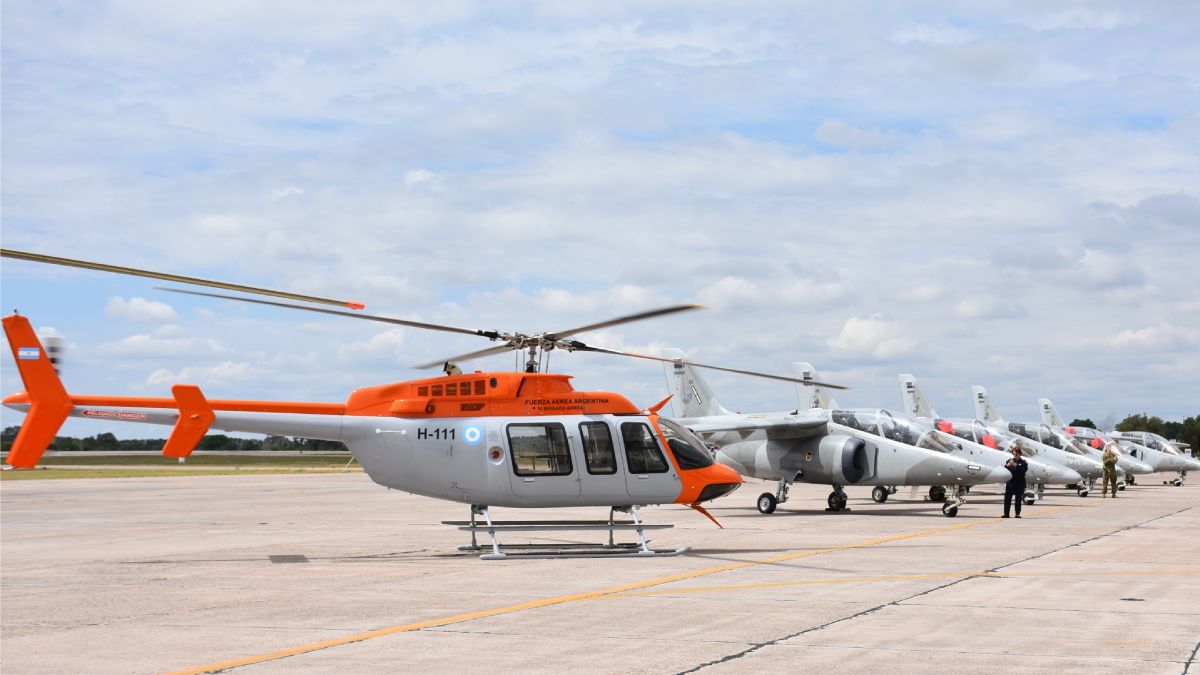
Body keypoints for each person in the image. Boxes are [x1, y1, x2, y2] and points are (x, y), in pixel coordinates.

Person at [1002, 443, 1029, 518]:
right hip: (1010, 483)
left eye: (1016, 454)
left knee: (1018, 499)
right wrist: (1007, 466)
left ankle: (1017, 514)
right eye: (1014, 454)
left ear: (1019, 454)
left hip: (1019, 484)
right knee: (1007, 499)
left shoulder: (1023, 463)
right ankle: (1006, 513)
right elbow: (1005, 470)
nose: (1015, 455)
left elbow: (1023, 470)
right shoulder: (1009, 461)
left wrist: (1015, 465)